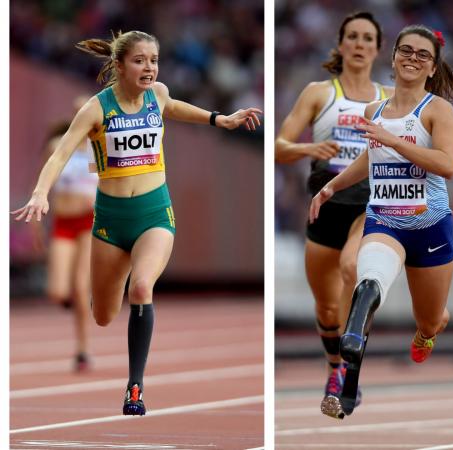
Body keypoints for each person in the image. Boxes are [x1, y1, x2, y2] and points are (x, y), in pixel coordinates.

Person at [12, 30, 262, 416]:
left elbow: (174, 107)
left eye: (154, 60)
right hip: (111, 220)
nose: (149, 68)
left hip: (154, 212)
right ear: (119, 66)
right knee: (103, 315)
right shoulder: (97, 108)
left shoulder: (157, 94)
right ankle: (103, 289)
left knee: (142, 286)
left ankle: (135, 387)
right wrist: (41, 193)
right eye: (140, 60)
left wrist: (219, 119)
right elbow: (60, 153)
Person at [309, 24, 453, 418]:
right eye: (406, 51)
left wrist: (397, 141)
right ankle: (350, 361)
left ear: (432, 67)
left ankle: (428, 331)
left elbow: (448, 165)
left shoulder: (437, 110)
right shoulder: (373, 112)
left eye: (422, 55)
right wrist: (332, 187)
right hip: (384, 220)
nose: (413, 59)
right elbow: (371, 157)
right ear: (394, 57)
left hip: (430, 228)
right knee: (368, 281)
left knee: (430, 318)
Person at [275, 11, 392, 419]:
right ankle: (335, 368)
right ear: (341, 45)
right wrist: (310, 150)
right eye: (353, 37)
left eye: (367, 38)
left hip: (370, 204)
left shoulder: (389, 98)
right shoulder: (319, 93)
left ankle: (350, 365)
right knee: (326, 309)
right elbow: (279, 146)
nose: (360, 45)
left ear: (378, 49)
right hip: (323, 206)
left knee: (351, 269)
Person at [31, 98, 98, 372]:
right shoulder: (58, 145)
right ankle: (77, 300)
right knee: (58, 292)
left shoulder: (99, 148)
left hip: (88, 222)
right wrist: (35, 225)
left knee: (81, 290)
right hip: (63, 222)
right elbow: (41, 183)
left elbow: (108, 183)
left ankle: (82, 351)